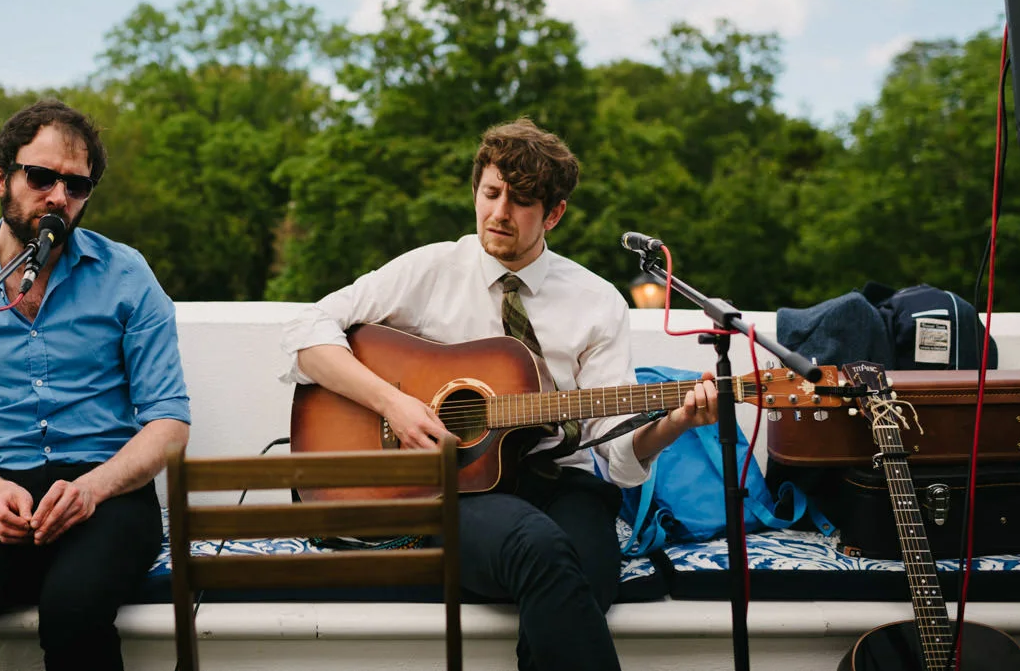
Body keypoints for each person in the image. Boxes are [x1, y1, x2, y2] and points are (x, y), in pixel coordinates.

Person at [281, 117, 717, 671]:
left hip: (562, 483)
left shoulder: (596, 301)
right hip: (458, 488)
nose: (498, 213)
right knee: (541, 551)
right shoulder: (433, 268)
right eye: (490, 194)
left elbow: (618, 454)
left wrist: (676, 421)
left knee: (587, 574)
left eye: (520, 202)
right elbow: (307, 333)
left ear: (553, 214)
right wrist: (392, 402)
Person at [0, 99, 191, 671]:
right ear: (0, 178)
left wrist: (93, 488)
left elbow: (169, 421)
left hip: (108, 491)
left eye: (77, 185)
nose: (59, 197)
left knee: (73, 609)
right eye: (41, 177)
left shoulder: (127, 275)